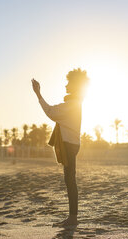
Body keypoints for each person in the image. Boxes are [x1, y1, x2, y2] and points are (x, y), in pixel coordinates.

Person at [31, 68, 89, 226]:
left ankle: (72, 218)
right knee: (70, 179)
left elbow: (51, 112)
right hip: (72, 143)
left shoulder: (72, 104)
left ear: (75, 86)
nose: (65, 86)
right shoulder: (75, 103)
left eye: (68, 83)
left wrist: (38, 94)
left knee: (70, 180)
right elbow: (54, 112)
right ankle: (72, 217)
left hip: (69, 144)